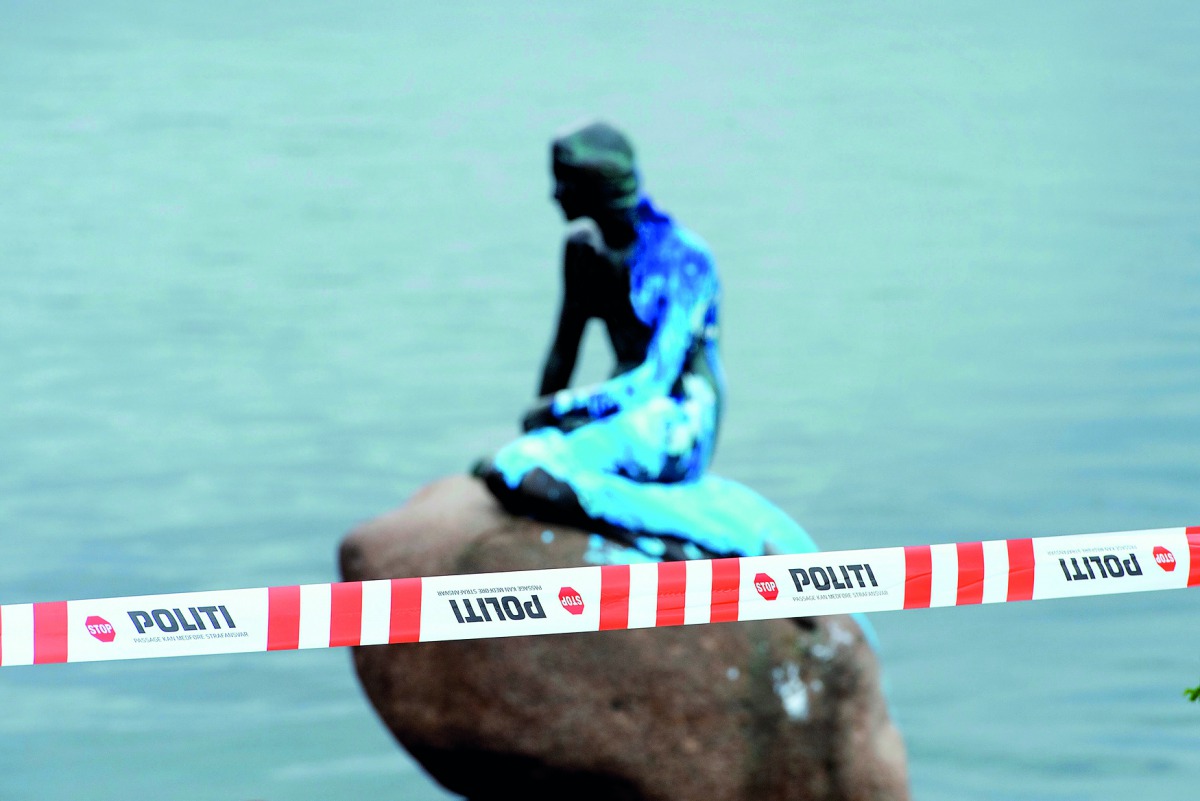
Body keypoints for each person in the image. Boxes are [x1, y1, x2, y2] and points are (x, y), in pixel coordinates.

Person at [474, 120, 727, 542]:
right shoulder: (583, 252)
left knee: (518, 472)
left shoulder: (683, 259)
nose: (554, 194)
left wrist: (562, 407)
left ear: (595, 187)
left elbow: (656, 378)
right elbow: (563, 350)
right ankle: (617, 510)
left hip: (676, 419)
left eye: (564, 182)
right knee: (514, 466)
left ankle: (669, 528)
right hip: (621, 410)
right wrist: (541, 420)